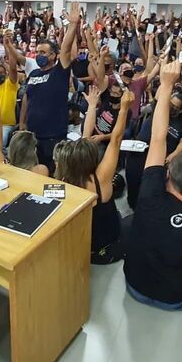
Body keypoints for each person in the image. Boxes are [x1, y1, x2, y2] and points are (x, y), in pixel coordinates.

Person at [124, 60, 182, 311]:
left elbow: (158, 137)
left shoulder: (149, 193)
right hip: (174, 297)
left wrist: (166, 83)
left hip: (134, 286)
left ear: (167, 173)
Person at [58, 86, 132, 263]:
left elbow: (84, 138)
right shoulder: (101, 179)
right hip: (104, 248)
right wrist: (124, 109)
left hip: (81, 243)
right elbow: (116, 140)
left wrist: (92, 106)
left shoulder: (63, 178)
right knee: (135, 219)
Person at [19, 2, 81, 172]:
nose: (39, 55)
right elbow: (26, 98)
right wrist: (22, 123)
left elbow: (67, 50)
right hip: (32, 135)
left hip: (53, 136)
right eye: (37, 52)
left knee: (54, 174)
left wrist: (73, 25)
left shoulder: (59, 72)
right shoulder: (33, 75)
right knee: (34, 173)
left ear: (53, 55)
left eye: (43, 52)